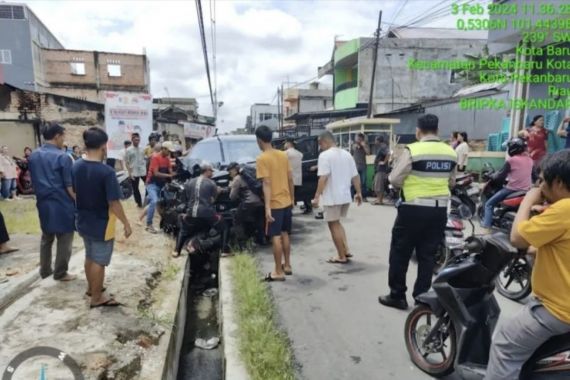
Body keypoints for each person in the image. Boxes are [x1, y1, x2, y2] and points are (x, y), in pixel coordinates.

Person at [485, 150, 570, 380]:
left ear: (560, 182)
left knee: (504, 345)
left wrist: (529, 199)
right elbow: (543, 247)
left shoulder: (564, 209)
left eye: (542, 181)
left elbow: (518, 239)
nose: (539, 186)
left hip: (557, 309)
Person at [379, 114, 457, 310]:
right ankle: (422, 296)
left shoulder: (413, 149)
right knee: (427, 255)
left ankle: (397, 295)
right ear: (437, 131)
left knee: (400, 252)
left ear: (418, 131)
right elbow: (452, 182)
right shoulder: (450, 152)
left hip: (413, 208)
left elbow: (395, 179)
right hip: (439, 209)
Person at [73, 127, 132, 308]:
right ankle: (97, 298)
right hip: (102, 224)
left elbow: (74, 191)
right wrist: (126, 224)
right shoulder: (106, 172)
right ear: (104, 146)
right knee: (100, 260)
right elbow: (114, 203)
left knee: (90, 256)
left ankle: (92, 289)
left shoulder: (76, 166)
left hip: (82, 220)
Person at [28, 123, 76, 281]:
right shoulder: (63, 157)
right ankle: (60, 272)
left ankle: (45, 271)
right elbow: (70, 187)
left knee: (46, 237)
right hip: (61, 202)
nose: (64, 140)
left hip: (43, 202)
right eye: (63, 136)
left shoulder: (33, 155)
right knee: (65, 238)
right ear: (57, 136)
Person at [312, 131, 362, 264]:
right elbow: (355, 176)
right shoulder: (347, 154)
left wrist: (317, 196)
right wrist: (359, 192)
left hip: (332, 197)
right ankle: (345, 250)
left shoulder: (324, 156)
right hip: (345, 196)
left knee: (333, 225)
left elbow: (323, 178)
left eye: (320, 144)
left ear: (325, 141)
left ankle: (341, 256)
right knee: (337, 222)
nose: (320, 147)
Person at [255, 126, 294, 282]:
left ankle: (278, 271)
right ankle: (288, 265)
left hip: (275, 204)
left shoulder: (262, 158)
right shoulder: (283, 155)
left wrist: (267, 208)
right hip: (286, 201)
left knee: (275, 236)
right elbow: (290, 178)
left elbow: (267, 183)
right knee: (285, 233)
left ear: (259, 140)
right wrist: (292, 198)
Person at [174, 162, 229, 257]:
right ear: (207, 171)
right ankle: (224, 251)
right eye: (211, 171)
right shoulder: (211, 183)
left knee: (183, 230)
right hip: (207, 214)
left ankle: (176, 251)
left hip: (191, 214)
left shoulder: (190, 182)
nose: (212, 173)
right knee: (224, 227)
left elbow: (188, 199)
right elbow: (212, 201)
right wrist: (218, 191)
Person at [481, 138, 534, 232]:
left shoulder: (511, 161)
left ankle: (486, 227)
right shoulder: (530, 160)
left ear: (512, 148)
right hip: (527, 190)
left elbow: (500, 176)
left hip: (512, 189)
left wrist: (491, 175)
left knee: (489, 204)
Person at [228, 162, 265, 247]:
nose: (229, 174)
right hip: (260, 202)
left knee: (237, 220)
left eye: (230, 172)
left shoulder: (237, 178)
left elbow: (232, 197)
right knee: (259, 221)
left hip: (248, 203)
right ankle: (261, 240)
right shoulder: (250, 175)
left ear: (234, 170)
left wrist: (231, 187)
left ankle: (242, 244)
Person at [145, 141, 175, 233]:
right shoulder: (155, 158)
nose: (169, 153)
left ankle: (166, 224)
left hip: (161, 185)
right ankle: (149, 225)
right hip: (152, 184)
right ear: (164, 149)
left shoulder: (167, 159)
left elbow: (170, 170)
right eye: (168, 151)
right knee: (154, 201)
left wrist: (173, 175)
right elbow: (156, 173)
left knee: (164, 203)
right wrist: (169, 176)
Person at [125, 133, 147, 208]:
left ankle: (146, 201)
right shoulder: (128, 150)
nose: (137, 141)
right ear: (132, 140)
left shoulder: (142, 149)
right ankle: (139, 203)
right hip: (134, 172)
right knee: (135, 188)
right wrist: (130, 173)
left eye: (138, 140)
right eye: (135, 140)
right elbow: (127, 162)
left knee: (148, 185)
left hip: (143, 171)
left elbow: (144, 159)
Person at [284, 138, 306, 213]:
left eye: (285, 143)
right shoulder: (300, 154)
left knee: (288, 197)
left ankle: (288, 211)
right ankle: (290, 209)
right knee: (293, 197)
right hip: (297, 179)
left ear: (289, 144)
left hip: (288, 179)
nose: (284, 144)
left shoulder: (286, 153)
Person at [373, 136, 390, 205]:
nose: (374, 141)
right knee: (377, 185)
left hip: (381, 169)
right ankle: (379, 199)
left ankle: (380, 200)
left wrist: (384, 162)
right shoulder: (380, 147)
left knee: (379, 185)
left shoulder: (383, 146)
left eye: (375, 140)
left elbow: (388, 154)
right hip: (379, 169)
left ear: (378, 140)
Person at [351, 133, 369, 199]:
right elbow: (351, 155)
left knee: (363, 182)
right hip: (355, 166)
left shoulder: (365, 145)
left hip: (363, 166)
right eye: (357, 138)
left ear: (362, 139)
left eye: (360, 139)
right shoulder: (353, 145)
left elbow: (368, 153)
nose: (358, 140)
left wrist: (364, 146)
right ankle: (352, 196)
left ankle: (363, 197)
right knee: (353, 181)